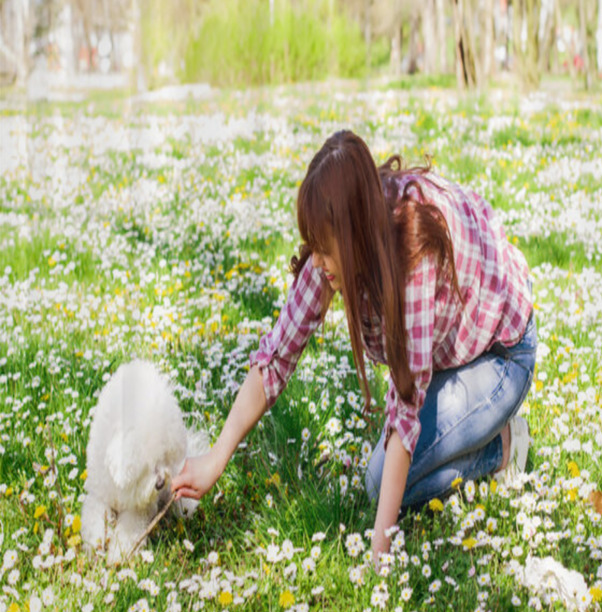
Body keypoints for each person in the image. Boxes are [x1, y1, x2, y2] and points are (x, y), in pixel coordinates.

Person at [171, 130, 537, 565]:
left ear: (355, 235)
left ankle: (504, 446)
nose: (318, 264)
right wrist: (216, 457)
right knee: (384, 483)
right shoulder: (336, 249)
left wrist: (380, 557)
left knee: (380, 482)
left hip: (500, 356)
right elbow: (276, 358)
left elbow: (405, 413)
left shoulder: (411, 258)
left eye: (327, 252)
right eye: (316, 248)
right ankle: (480, 435)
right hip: (447, 356)